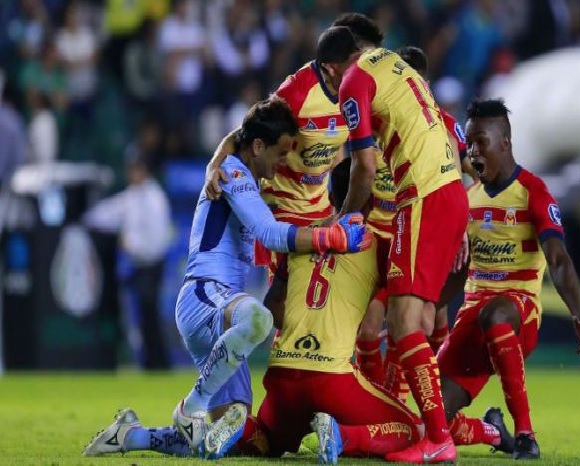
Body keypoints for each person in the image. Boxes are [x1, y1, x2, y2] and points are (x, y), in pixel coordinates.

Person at [83, 96, 372, 459]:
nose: (284, 161)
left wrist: (327, 225)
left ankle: (133, 436)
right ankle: (190, 407)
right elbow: (269, 233)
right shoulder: (232, 173)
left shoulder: (241, 172)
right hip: (205, 293)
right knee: (258, 320)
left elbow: (245, 141)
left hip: (221, 306)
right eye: (281, 152)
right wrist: (332, 238)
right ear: (258, 146)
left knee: (236, 437)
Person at [205, 157, 423, 465]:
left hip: (282, 374)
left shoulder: (301, 239)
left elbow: (273, 309)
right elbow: (405, 306)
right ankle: (340, 435)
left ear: (330, 197)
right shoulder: (380, 248)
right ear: (373, 201)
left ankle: (242, 427)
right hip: (332, 380)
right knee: (412, 430)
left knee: (269, 441)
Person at [316, 27, 469, 463]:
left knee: (403, 324)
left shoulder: (352, 81)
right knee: (415, 320)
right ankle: (426, 429)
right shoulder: (391, 61)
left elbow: (364, 167)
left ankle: (436, 437)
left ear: (330, 69)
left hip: (421, 197)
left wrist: (344, 220)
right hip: (446, 191)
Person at [204, 12, 385, 328]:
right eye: (357, 60)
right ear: (333, 65)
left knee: (324, 302)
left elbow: (337, 146)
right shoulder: (297, 92)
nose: (364, 68)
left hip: (322, 208)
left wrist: (338, 199)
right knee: (288, 305)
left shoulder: (357, 90)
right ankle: (283, 353)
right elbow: (248, 133)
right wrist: (213, 166)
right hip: (284, 207)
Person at [437, 98, 580, 460]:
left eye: (481, 142)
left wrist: (578, 312)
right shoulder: (468, 199)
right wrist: (426, 305)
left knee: (495, 313)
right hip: (471, 317)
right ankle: (494, 432)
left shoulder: (533, 191)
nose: (473, 152)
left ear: (505, 142)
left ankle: (525, 434)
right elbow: (459, 270)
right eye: (469, 143)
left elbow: (558, 258)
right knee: (432, 422)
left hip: (519, 313)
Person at [355, 45, 472, 400]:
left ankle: (420, 404)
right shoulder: (376, 118)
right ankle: (382, 405)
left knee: (427, 320)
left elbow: (469, 172)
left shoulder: (444, 125)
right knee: (371, 329)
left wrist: (464, 225)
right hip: (378, 236)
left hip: (422, 228)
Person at [82, 156, 172, 370]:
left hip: (151, 264)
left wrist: (131, 245)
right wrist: (84, 217)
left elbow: (158, 239)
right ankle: (150, 362)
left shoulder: (155, 198)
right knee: (143, 315)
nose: (131, 175)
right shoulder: (133, 195)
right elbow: (105, 214)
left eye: (135, 170)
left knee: (150, 315)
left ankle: (159, 363)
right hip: (139, 265)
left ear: (144, 171)